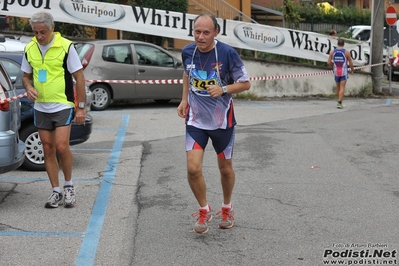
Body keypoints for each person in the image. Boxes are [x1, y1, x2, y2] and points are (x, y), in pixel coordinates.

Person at [177, 13, 251, 234]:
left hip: (222, 121)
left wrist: (223, 89)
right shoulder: (187, 51)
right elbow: (187, 74)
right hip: (196, 120)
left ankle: (227, 208)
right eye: (197, 31)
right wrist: (183, 100)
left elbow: (246, 84)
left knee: (225, 169)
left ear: (216, 32)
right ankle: (204, 209)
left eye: (206, 32)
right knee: (192, 168)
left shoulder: (228, 54)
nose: (200, 37)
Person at [21, 11, 86, 208]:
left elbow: (80, 77)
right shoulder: (30, 48)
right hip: (41, 106)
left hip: (62, 104)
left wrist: (80, 107)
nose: (39, 36)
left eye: (43, 32)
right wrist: (29, 87)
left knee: (61, 146)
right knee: (47, 149)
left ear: (52, 28)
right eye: (36, 32)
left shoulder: (66, 46)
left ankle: (69, 186)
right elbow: (25, 76)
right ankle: (55, 191)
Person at [327, 38, 354, 109]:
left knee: (338, 87)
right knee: (342, 88)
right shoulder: (346, 52)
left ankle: (339, 102)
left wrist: (333, 66)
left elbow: (328, 62)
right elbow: (350, 62)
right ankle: (339, 103)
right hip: (343, 72)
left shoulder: (332, 52)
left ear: (337, 44)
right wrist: (352, 70)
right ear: (344, 44)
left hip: (336, 72)